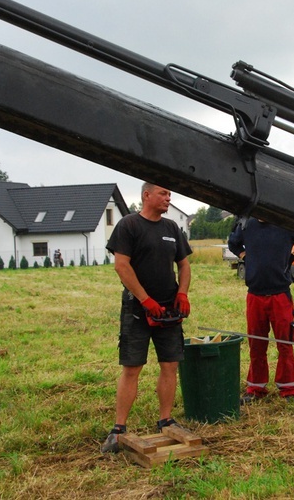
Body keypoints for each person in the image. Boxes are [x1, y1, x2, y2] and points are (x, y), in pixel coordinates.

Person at [101, 183, 192, 453]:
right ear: (146, 195)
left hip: (169, 311)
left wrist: (183, 293)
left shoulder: (172, 229)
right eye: (163, 193)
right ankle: (118, 429)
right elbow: (121, 266)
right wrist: (145, 299)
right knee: (132, 368)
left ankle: (166, 419)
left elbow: (184, 264)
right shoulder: (129, 225)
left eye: (169, 194)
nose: (168, 198)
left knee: (170, 365)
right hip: (138, 310)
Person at [228, 217, 294, 403]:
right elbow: (233, 243)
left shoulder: (286, 223)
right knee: (256, 345)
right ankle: (255, 389)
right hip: (255, 295)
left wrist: (293, 256)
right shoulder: (246, 224)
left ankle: (288, 389)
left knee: (285, 343)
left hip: (280, 295)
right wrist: (247, 257)